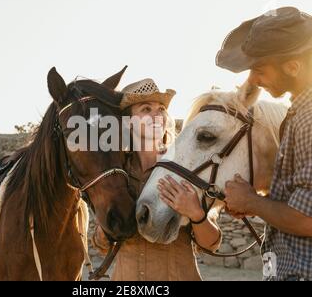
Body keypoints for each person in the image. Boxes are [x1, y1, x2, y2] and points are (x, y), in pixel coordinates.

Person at [217, 7, 312, 281]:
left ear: (293, 66)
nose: (253, 80)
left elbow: (311, 222)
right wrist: (257, 202)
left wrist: (251, 201)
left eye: (260, 70)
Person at [91, 79, 221, 281]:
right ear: (128, 122)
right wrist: (108, 225)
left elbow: (211, 243)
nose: (157, 115)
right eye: (146, 109)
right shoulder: (116, 175)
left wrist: (196, 213)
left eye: (161, 109)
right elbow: (100, 244)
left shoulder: (186, 168)